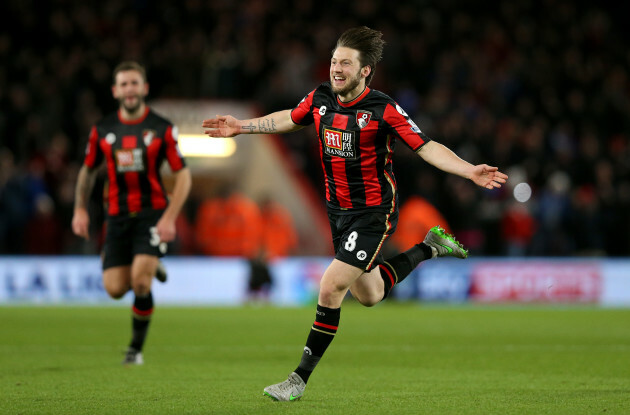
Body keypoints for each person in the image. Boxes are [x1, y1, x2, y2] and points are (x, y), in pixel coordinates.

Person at [202, 27, 507, 401]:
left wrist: (468, 169)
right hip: (338, 212)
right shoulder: (320, 98)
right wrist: (242, 127)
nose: (336, 68)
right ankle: (430, 247)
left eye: (345, 63)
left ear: (365, 71)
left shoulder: (384, 109)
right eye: (333, 61)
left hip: (373, 213)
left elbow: (426, 147)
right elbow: (288, 118)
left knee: (330, 287)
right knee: (370, 293)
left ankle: (297, 380)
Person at [72, 61, 192, 365]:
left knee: (140, 283)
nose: (129, 89)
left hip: (152, 213)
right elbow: (87, 172)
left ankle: (135, 349)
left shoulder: (162, 128)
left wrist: (169, 218)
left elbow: (183, 175)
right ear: (115, 91)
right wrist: (80, 209)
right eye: (123, 84)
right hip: (116, 216)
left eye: (134, 83)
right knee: (114, 289)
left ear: (144, 88)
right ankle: (152, 264)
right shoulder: (102, 130)